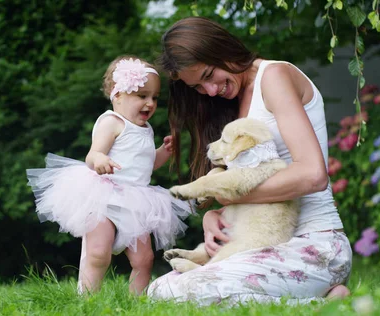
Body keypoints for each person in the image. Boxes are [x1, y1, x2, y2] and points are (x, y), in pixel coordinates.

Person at [146, 17, 352, 306]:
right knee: (160, 291)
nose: (211, 90)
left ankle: (324, 305)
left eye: (208, 74)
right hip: (260, 242)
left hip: (315, 243)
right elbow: (247, 186)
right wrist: (213, 214)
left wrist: (225, 193)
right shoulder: (230, 104)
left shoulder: (274, 76)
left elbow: (312, 175)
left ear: (222, 48)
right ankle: (318, 303)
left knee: (187, 292)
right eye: (198, 87)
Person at [26, 56, 193, 295]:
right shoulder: (111, 122)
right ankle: (87, 299)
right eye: (141, 96)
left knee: (144, 259)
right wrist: (100, 159)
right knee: (97, 253)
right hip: (104, 196)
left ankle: (138, 303)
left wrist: (163, 152)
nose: (150, 103)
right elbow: (92, 155)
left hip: (137, 201)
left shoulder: (146, 130)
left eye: (154, 97)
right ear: (118, 96)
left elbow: (146, 165)